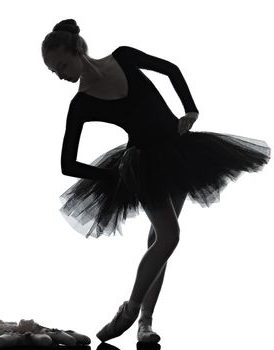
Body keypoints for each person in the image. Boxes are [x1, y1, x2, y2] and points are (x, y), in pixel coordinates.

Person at [42, 19, 271, 344]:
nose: (60, 75)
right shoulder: (82, 102)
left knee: (158, 241)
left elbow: (171, 69)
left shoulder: (123, 56)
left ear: (77, 50)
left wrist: (189, 110)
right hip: (144, 165)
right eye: (54, 72)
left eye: (61, 65)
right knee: (169, 237)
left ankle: (145, 325)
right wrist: (113, 175)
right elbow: (67, 163)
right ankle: (130, 309)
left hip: (180, 152)